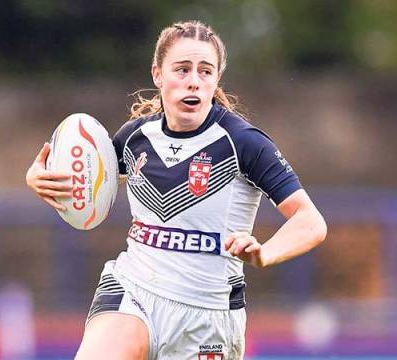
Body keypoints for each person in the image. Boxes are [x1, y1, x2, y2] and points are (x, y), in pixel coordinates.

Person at [26, 20, 327, 360]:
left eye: (205, 71)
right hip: (134, 289)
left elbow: (311, 222)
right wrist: (40, 179)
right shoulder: (133, 138)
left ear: (216, 79)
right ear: (158, 74)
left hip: (207, 314)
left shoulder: (243, 143)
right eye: (182, 70)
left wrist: (266, 252)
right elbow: (84, 179)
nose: (194, 82)